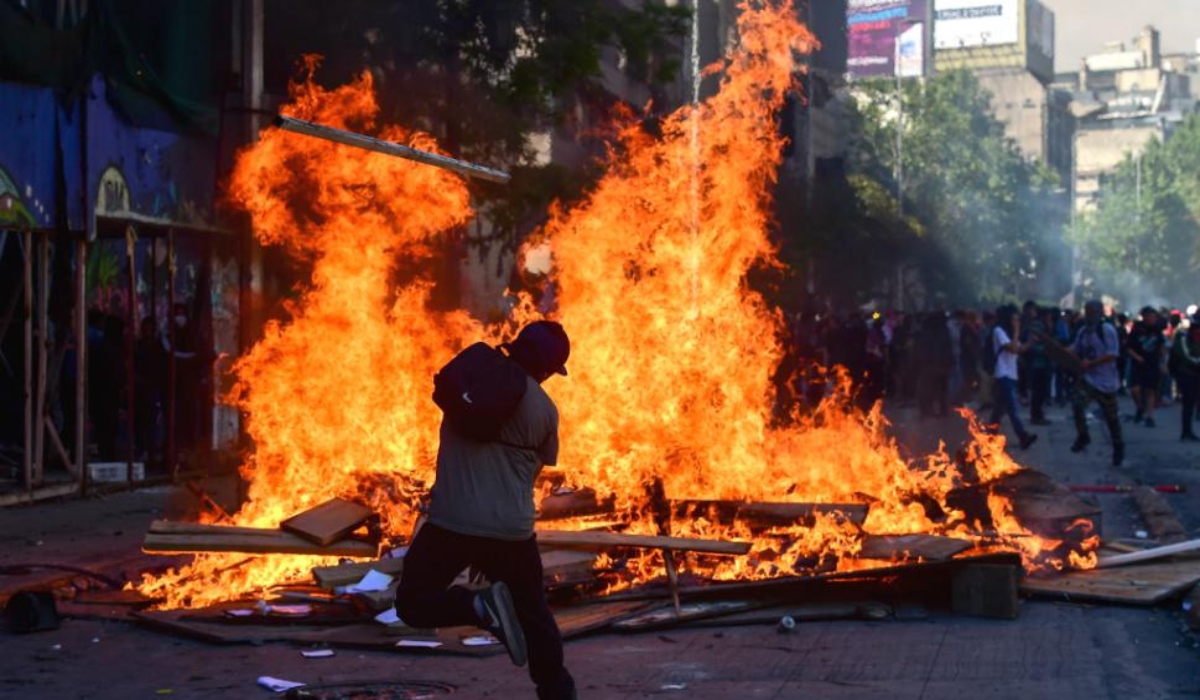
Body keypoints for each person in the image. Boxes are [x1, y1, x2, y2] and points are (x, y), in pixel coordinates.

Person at [396, 321, 576, 700]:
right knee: (535, 620)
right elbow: (533, 470)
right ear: (546, 369)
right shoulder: (544, 410)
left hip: (452, 523)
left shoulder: (470, 381)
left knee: (412, 603)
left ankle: (476, 606)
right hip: (510, 532)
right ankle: (558, 694)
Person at [1070, 300, 1125, 466]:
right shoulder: (1083, 332)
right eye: (1087, 311)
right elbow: (1074, 350)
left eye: (1092, 311)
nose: (1089, 315)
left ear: (1100, 313)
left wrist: (1091, 364)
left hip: (1107, 382)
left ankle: (1118, 449)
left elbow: (1112, 354)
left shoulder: (1107, 330)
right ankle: (1083, 435)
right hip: (1089, 380)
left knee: (1111, 419)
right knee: (1077, 403)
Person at [988, 304, 1038, 450]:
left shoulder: (1009, 333)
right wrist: (1016, 330)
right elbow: (1012, 348)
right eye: (1014, 319)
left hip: (1010, 375)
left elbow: (1019, 349)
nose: (1017, 322)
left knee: (998, 411)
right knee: (1012, 409)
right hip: (1002, 375)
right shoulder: (999, 331)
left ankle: (990, 435)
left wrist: (1030, 342)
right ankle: (1023, 436)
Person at [1128, 306, 1166, 428]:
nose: (1152, 319)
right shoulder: (1137, 328)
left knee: (1151, 391)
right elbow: (1128, 347)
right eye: (1150, 317)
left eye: (1154, 317)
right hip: (1138, 364)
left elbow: (1161, 346)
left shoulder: (1157, 329)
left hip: (1152, 364)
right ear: (1144, 317)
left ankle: (1150, 416)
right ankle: (1140, 407)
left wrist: (1162, 363)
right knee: (1135, 390)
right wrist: (1137, 357)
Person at [1169, 315, 1200, 442]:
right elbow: (1186, 357)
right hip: (1187, 374)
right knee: (1188, 404)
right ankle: (1186, 431)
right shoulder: (1183, 339)